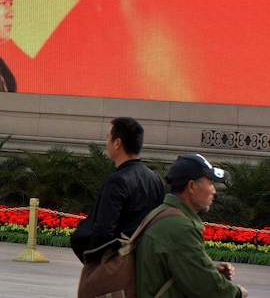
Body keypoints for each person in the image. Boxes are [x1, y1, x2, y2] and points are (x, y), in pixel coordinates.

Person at [136, 154, 247, 297]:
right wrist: (237, 293)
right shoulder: (182, 228)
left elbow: (179, 271)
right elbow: (208, 288)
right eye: (211, 183)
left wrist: (209, 271)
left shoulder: (161, 213)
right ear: (192, 186)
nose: (214, 191)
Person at [69, 117, 165, 261]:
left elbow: (103, 231)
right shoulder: (156, 180)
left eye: (108, 138)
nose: (106, 143)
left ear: (117, 143)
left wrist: (92, 263)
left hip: (119, 265)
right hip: (145, 264)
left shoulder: (118, 181)